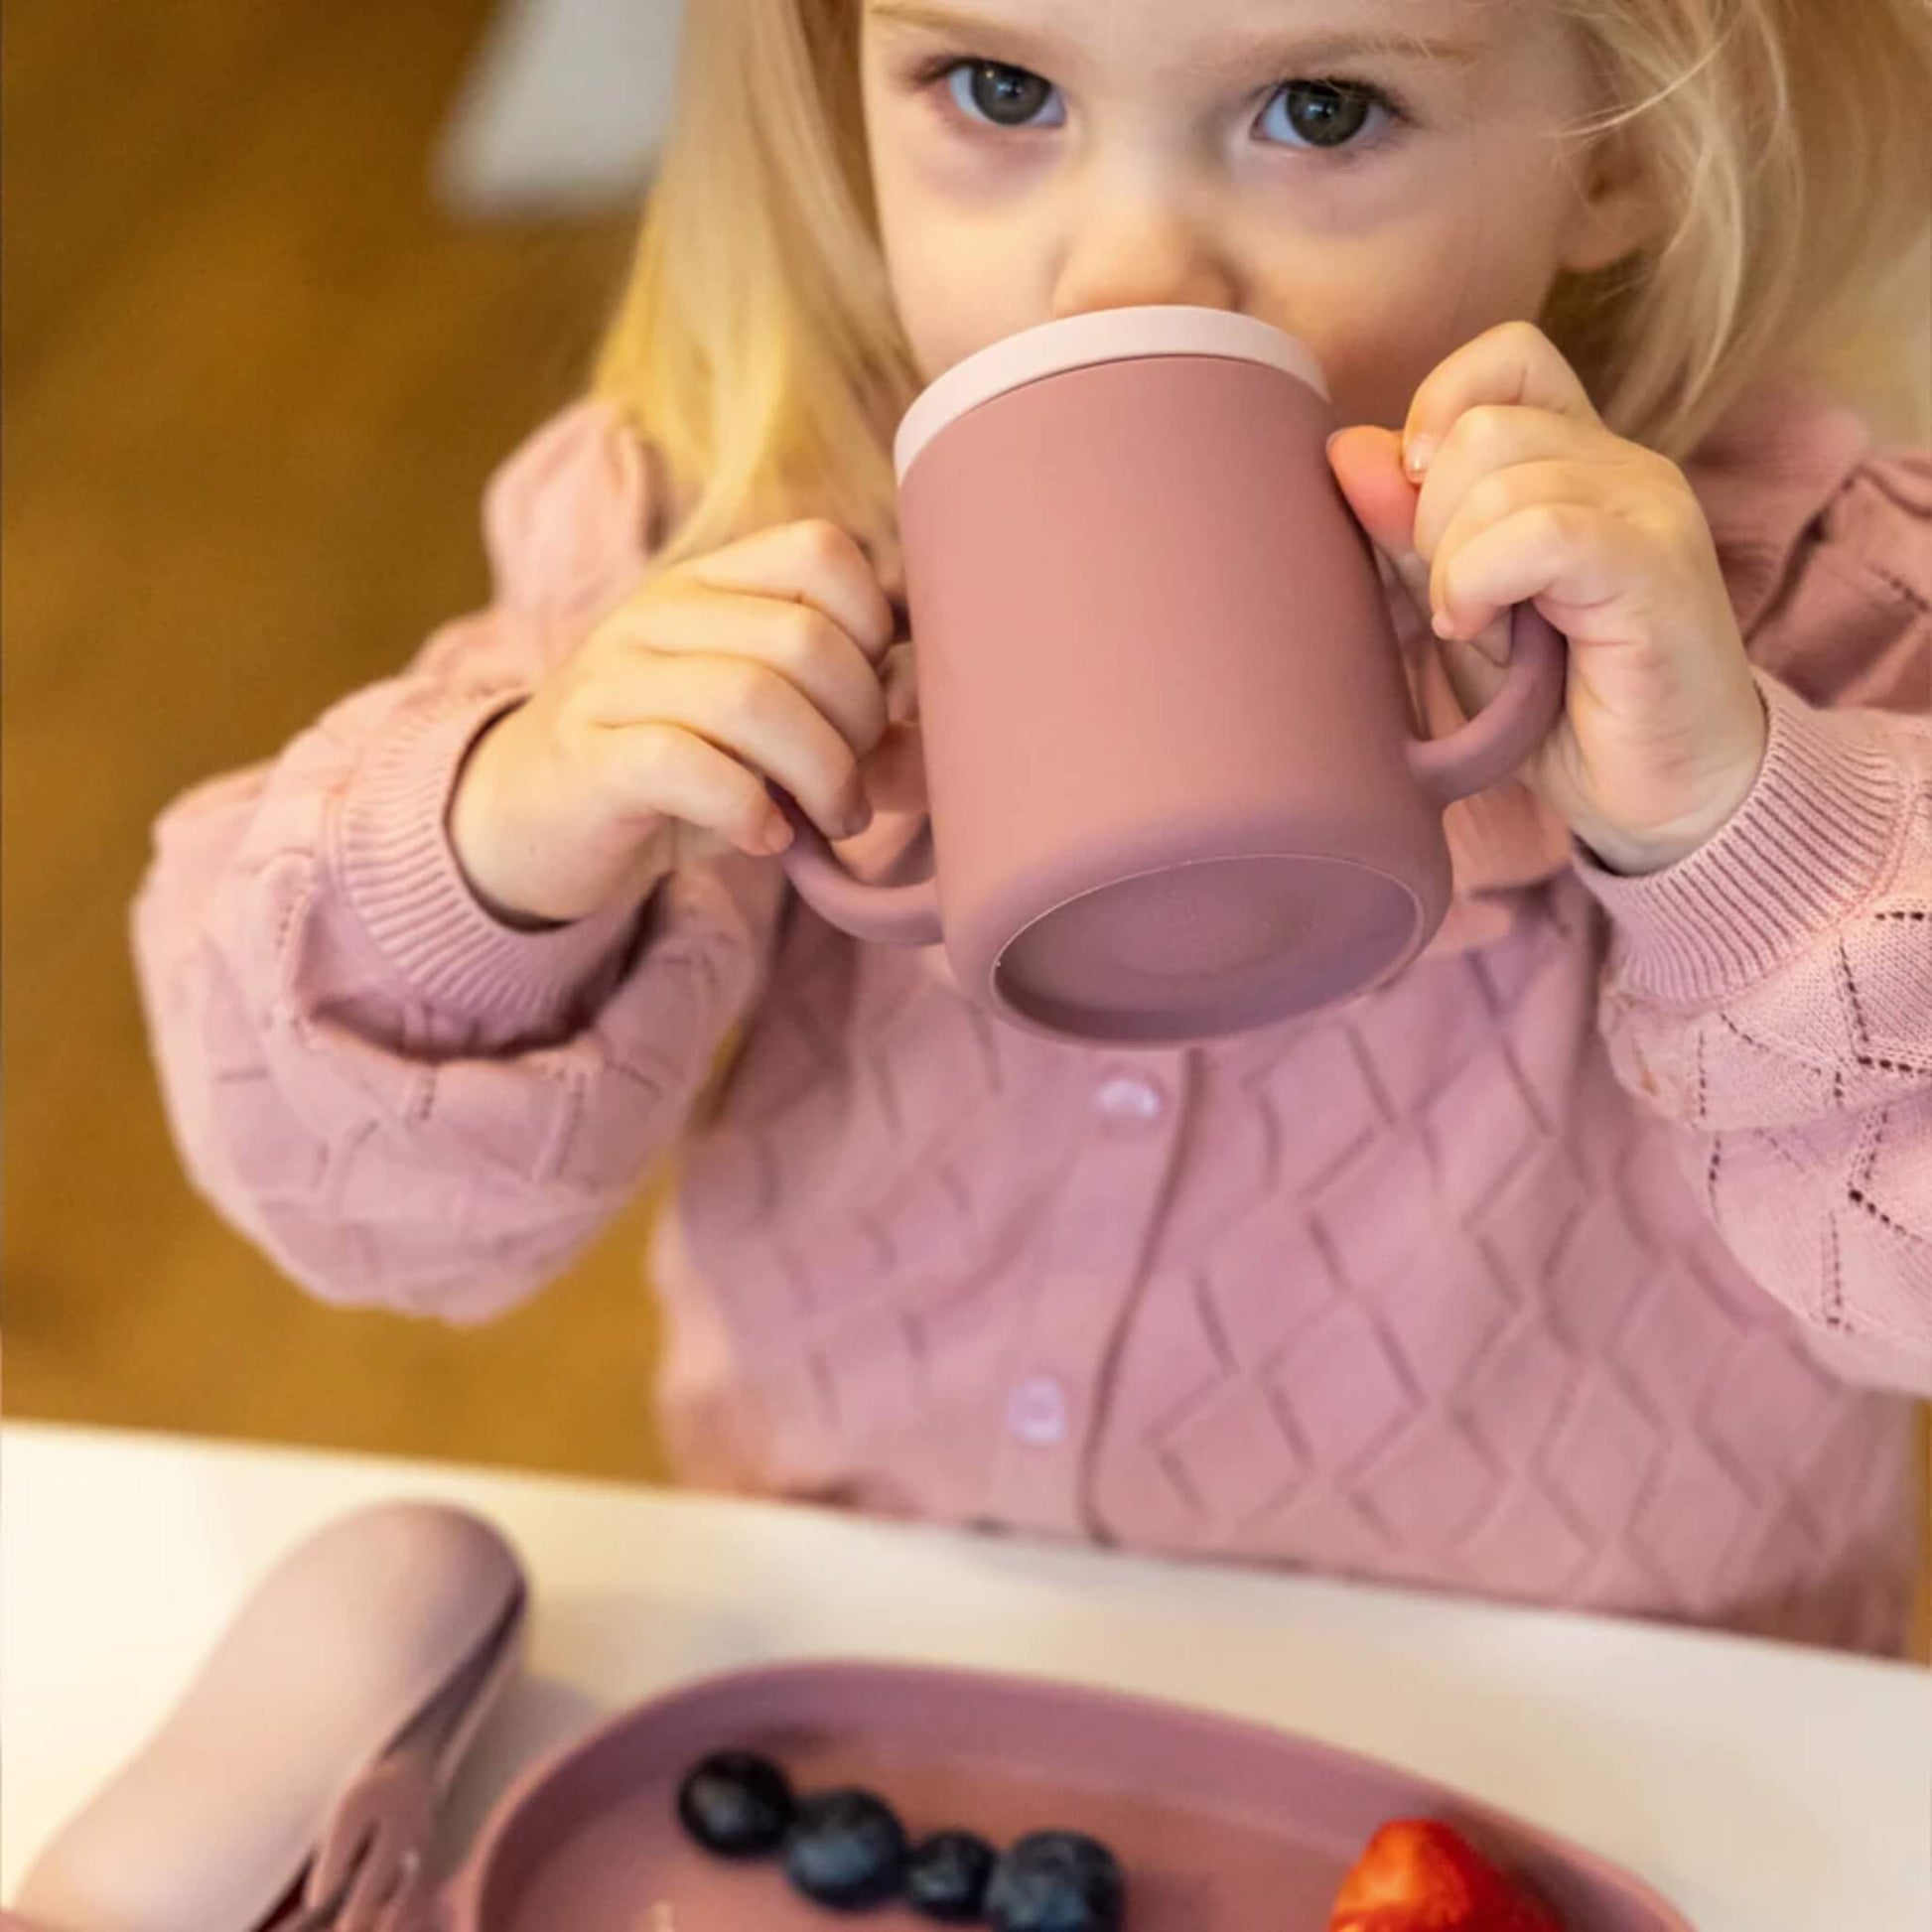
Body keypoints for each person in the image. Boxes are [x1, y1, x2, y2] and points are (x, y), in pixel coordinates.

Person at [135, 0, 1932, 1654]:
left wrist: (1734, 824)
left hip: (1622, 1755)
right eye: (1000, 90)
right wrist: (509, 841)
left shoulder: (1805, 606)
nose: (1116, 273)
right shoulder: (724, 551)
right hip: (918, 1693)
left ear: (1617, 150)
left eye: (1320, 110)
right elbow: (360, 1221)